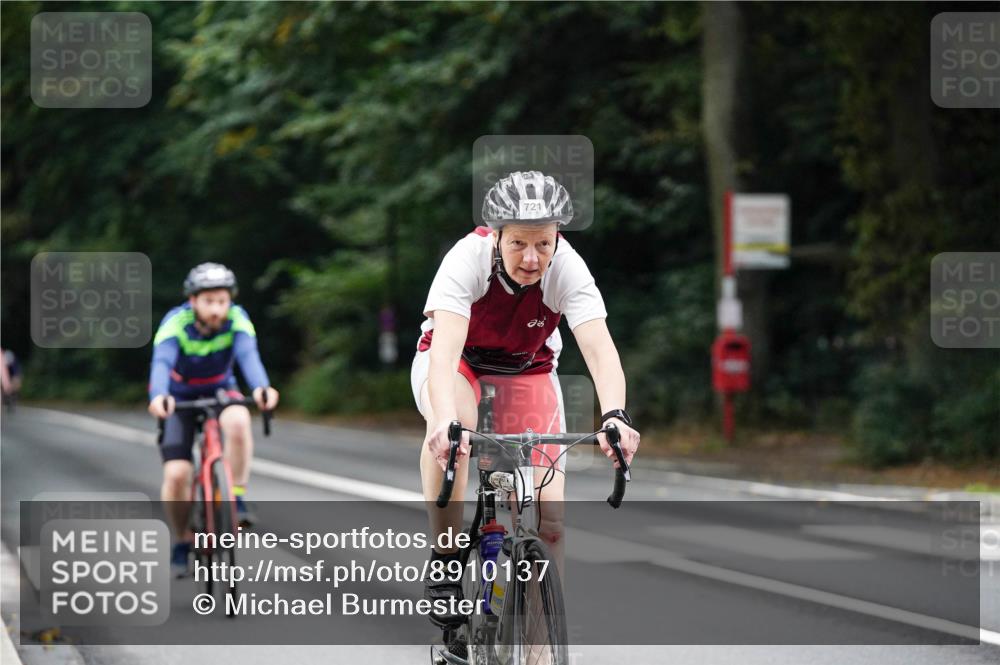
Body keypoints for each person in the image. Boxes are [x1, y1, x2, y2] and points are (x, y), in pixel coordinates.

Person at [411, 171, 640, 629]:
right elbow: (445, 353)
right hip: (460, 365)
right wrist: (442, 420)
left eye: (543, 244)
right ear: (496, 235)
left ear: (557, 238)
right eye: (518, 243)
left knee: (549, 522)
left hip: (527, 368)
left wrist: (616, 415)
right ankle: (446, 560)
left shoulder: (568, 268)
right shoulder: (466, 259)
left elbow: (599, 350)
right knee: (455, 433)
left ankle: (538, 650)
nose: (532, 258)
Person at [147, 262, 279, 576]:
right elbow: (161, 363)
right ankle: (182, 539)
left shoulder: (237, 319)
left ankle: (237, 497)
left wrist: (261, 388)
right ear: (193, 301)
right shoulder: (175, 323)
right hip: (179, 396)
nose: (217, 309)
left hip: (221, 390)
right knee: (177, 474)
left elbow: (248, 356)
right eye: (209, 301)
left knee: (239, 421)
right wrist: (159, 395)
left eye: (222, 301)